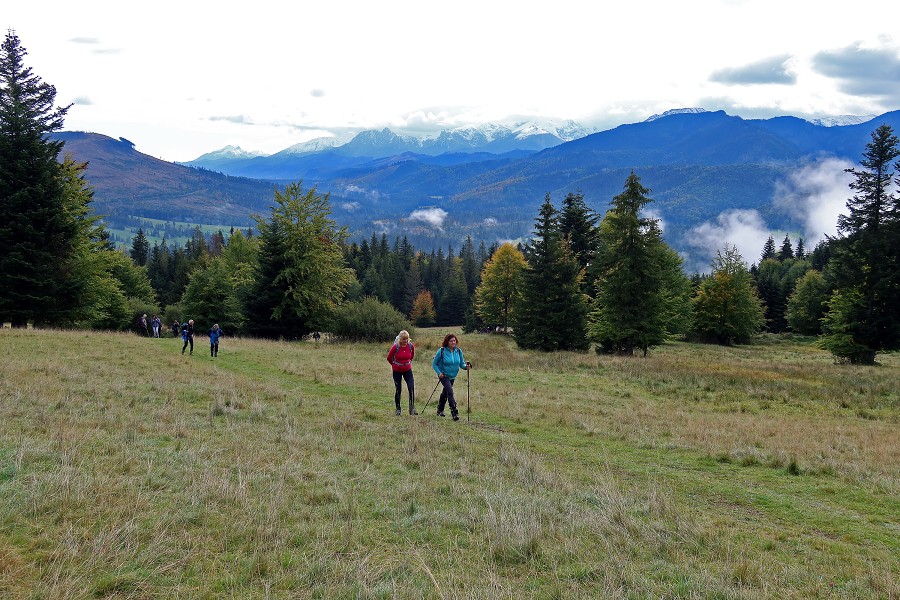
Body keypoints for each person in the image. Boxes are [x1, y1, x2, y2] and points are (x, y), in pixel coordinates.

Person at [432, 333, 470, 421]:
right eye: (451, 341)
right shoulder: (442, 351)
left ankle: (440, 410)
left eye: (454, 340)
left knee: (445, 392)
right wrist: (439, 373)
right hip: (444, 375)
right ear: (447, 342)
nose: (453, 342)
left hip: (453, 376)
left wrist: (466, 367)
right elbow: (434, 364)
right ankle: (454, 412)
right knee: (450, 391)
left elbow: (461, 364)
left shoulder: (458, 351)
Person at [387, 330, 416, 416]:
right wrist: (394, 365)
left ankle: (412, 409)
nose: (405, 341)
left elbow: (412, 356)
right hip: (397, 371)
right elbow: (389, 357)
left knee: (411, 388)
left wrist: (407, 363)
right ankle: (398, 409)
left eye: (407, 339)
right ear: (400, 339)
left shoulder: (411, 346)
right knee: (398, 389)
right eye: (404, 339)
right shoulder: (395, 347)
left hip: (407, 370)